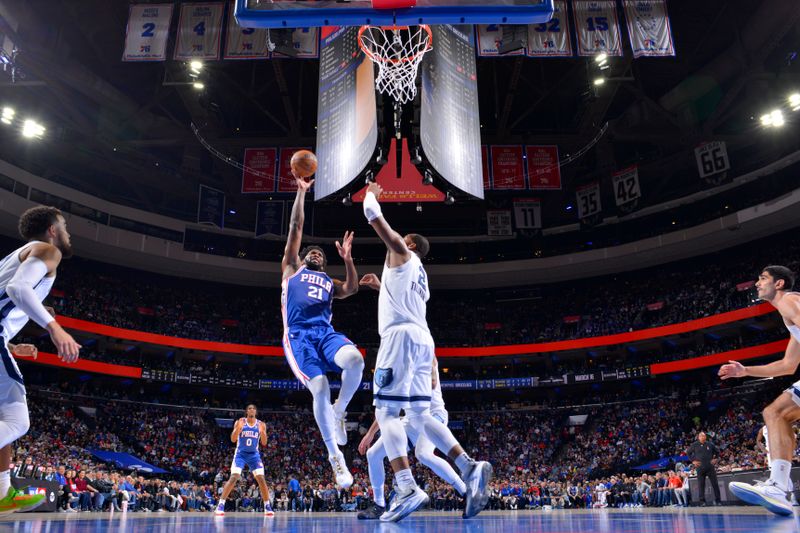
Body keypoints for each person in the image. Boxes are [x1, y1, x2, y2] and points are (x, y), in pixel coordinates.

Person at [360, 182, 492, 522]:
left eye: (403, 237)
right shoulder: (420, 273)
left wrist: (372, 190)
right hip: (422, 339)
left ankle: (406, 485)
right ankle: (468, 465)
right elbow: (401, 300)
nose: (398, 238)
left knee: (388, 414)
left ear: (411, 244)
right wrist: (380, 287)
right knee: (419, 416)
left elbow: (372, 214)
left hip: (399, 338)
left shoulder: (403, 252)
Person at [280, 173, 363, 489]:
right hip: (299, 337)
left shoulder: (330, 282)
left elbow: (353, 288)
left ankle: (339, 411)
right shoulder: (291, 270)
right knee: (320, 388)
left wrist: (348, 260)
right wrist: (301, 193)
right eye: (311, 253)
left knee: (355, 361)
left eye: (320, 254)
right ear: (302, 259)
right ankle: (335, 458)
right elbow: (296, 228)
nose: (315, 254)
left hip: (325, 334)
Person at [0, 206, 81, 516]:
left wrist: (12, 343)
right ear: (51, 230)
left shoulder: (14, 256)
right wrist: (54, 328)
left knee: (4, 416)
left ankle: (3, 492)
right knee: (18, 421)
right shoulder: (48, 250)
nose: (68, 233)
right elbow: (17, 289)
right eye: (65, 226)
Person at [719, 265, 799, 516]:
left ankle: (778, 487)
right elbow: (788, 365)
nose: (756, 283)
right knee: (776, 413)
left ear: (779, 284)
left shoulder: (788, 300)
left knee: (775, 413)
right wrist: (745, 371)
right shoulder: (790, 315)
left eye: (763, 278)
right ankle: (777, 487)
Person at [355, 351, 467, 520]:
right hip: (410, 419)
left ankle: (466, 492)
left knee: (423, 454)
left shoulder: (424, 350)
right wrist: (370, 433)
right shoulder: (396, 362)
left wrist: (401, 381)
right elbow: (388, 408)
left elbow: (432, 383)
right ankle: (379, 505)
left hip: (432, 414)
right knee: (373, 454)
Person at [214, 405, 274, 517]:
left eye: (254, 408)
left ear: (256, 411)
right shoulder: (240, 421)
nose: (252, 410)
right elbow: (232, 439)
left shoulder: (261, 424)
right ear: (247, 411)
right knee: (234, 477)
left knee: (261, 478)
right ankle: (221, 505)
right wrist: (238, 429)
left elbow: (264, 443)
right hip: (240, 454)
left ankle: (267, 505)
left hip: (254, 455)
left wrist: (262, 433)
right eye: (250, 408)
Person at [686, 432, 721, 507]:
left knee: (715, 484)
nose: (703, 437)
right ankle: (702, 502)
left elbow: (718, 452)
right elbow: (688, 453)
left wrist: (715, 459)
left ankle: (718, 500)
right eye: (701, 436)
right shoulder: (695, 445)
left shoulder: (710, 444)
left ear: (705, 437)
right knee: (701, 485)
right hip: (700, 468)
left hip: (710, 467)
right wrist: (693, 461)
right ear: (698, 437)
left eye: (704, 436)